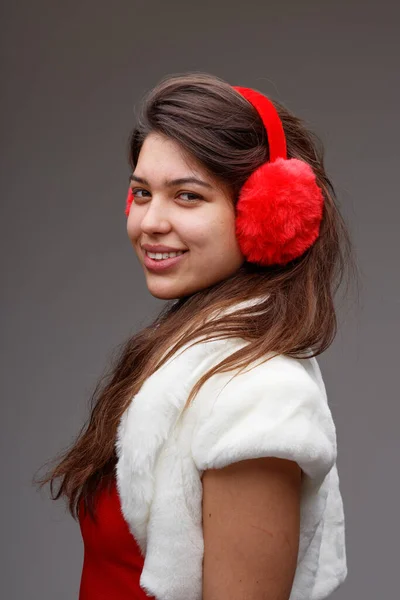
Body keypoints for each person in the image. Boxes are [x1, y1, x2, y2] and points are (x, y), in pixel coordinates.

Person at [35, 72, 357, 600]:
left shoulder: (259, 399)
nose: (150, 222)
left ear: (268, 216)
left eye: (187, 196)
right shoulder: (185, 360)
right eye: (142, 193)